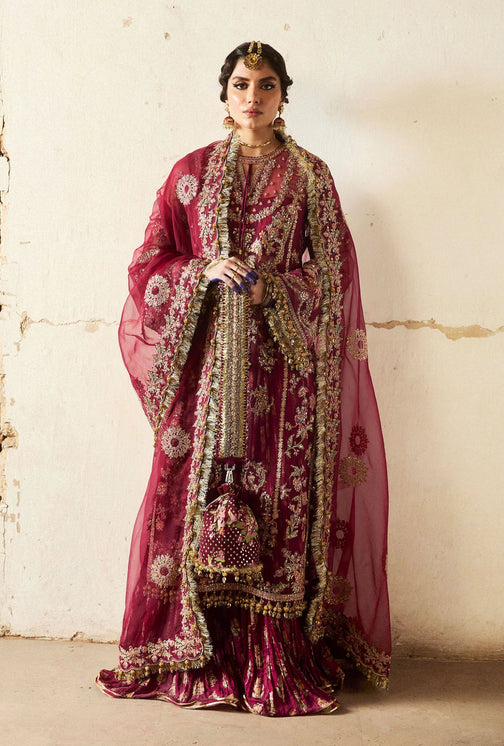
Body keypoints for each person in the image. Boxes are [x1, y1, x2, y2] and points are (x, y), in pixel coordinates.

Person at [97, 40, 391, 717]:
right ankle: (195, 648)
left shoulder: (311, 177)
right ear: (223, 94)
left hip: (285, 383)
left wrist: (273, 294)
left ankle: (273, 650)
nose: (251, 97)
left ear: (284, 94)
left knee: (280, 503)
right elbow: (149, 260)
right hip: (204, 377)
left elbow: (334, 274)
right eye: (239, 84)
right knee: (194, 498)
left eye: (264, 84)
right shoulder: (190, 173)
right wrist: (201, 271)